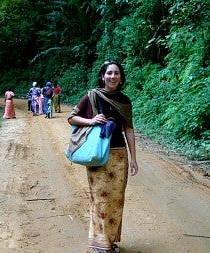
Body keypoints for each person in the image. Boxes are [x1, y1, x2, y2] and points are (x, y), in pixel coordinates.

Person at [67, 61, 138, 253]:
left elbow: (129, 129)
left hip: (119, 156)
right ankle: (100, 243)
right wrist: (91, 121)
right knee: (100, 199)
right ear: (103, 76)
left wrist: (133, 158)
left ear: (121, 77)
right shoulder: (92, 96)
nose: (113, 76)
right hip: (98, 156)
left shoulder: (125, 101)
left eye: (116, 73)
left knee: (116, 199)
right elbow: (72, 117)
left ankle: (110, 240)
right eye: (109, 73)